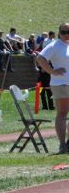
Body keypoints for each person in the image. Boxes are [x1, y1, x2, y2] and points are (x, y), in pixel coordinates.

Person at [36, 24, 69, 153]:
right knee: (62, 113)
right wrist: (51, 71)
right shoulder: (55, 45)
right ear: (59, 33)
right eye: (64, 32)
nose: (66, 34)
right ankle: (62, 145)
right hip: (61, 83)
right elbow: (40, 58)